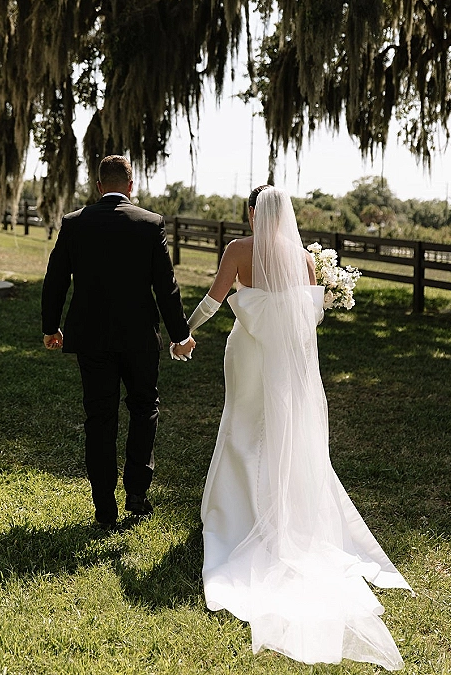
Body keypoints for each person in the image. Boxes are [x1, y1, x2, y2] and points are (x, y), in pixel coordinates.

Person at [187, 185, 412, 670]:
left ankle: (234, 515)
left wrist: (185, 332)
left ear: (251, 213)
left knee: (243, 427)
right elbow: (308, 320)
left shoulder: (237, 251)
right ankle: (272, 509)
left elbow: (213, 300)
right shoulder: (304, 260)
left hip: (247, 358)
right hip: (287, 365)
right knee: (279, 431)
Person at [41, 155, 195, 528]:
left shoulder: (75, 223)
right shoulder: (149, 223)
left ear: (98, 186)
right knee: (144, 408)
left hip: (91, 339)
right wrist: (180, 336)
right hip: (139, 338)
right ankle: (137, 494)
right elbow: (166, 287)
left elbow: (56, 278)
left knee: (100, 417)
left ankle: (103, 507)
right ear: (131, 186)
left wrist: (51, 327)